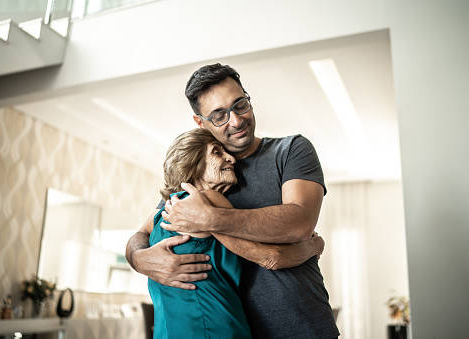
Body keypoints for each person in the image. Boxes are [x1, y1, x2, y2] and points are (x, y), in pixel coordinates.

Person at [127, 63, 339, 338]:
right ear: (200, 122)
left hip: (302, 328)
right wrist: (138, 258)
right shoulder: (198, 178)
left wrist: (211, 219)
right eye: (219, 115)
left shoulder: (291, 150)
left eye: (240, 105)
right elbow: (144, 231)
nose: (236, 120)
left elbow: (299, 222)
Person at [148, 128, 325, 338]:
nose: (231, 158)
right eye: (216, 152)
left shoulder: (163, 214)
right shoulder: (207, 200)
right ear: (192, 165)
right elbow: (272, 258)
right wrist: (315, 245)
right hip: (213, 327)